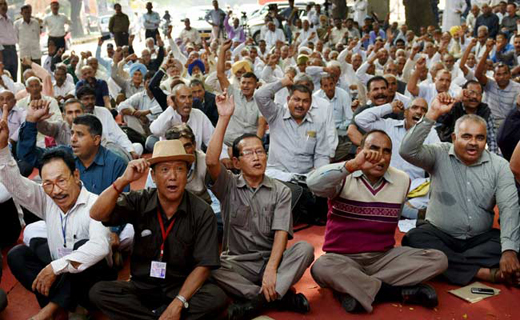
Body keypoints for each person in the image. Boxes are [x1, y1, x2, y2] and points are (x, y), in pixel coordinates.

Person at [307, 130, 448, 313]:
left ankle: (353, 287)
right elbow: (312, 183)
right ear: (359, 151)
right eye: (373, 149)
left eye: (386, 151)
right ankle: (394, 292)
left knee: (438, 260)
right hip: (343, 258)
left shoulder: (402, 180)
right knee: (321, 267)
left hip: (383, 258)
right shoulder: (343, 176)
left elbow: (400, 212)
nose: (379, 156)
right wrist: (352, 165)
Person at [88, 140, 227, 319]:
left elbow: (204, 265)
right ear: (153, 176)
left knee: (216, 297)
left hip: (181, 288)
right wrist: (123, 181)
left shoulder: (202, 211)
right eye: (164, 170)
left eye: (179, 169)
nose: (173, 176)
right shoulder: (140, 200)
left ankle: (156, 315)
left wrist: (178, 302)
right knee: (99, 292)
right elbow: (96, 214)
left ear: (187, 174)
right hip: (142, 286)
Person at [0, 106, 115, 320]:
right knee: (17, 255)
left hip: (93, 281)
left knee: (82, 252)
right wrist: (2, 149)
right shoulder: (46, 197)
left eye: (61, 181)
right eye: (48, 183)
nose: (56, 190)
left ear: (76, 175)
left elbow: (99, 246)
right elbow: (15, 185)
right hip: (60, 272)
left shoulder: (95, 204)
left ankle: (52, 310)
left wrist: (55, 267)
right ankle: (66, 306)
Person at [207, 91, 314, 319]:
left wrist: (271, 270)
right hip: (238, 264)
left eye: (261, 152)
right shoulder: (228, 185)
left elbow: (281, 234)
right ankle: (276, 297)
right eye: (249, 153)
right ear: (236, 162)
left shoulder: (281, 190)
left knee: (304, 250)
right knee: (207, 263)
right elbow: (211, 161)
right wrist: (224, 117)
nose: (257, 157)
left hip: (272, 260)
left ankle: (254, 304)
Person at [400, 93, 520, 286]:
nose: (473, 143)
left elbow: (509, 209)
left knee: (512, 243)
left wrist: (509, 251)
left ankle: (444, 264)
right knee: (414, 238)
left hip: (480, 240)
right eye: (466, 136)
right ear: (455, 137)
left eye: (479, 138)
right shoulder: (439, 153)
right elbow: (407, 150)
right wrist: (432, 114)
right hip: (439, 234)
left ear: (485, 141)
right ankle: (482, 273)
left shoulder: (499, 166)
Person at [217, 40, 266, 146]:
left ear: (256, 85)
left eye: (249, 83)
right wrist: (223, 50)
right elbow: (220, 75)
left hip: (248, 145)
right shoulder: (232, 94)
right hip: (228, 144)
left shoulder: (260, 100)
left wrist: (255, 146)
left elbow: (261, 125)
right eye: (243, 83)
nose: (245, 86)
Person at [436, 80, 498, 154]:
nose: (474, 97)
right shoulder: (453, 106)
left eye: (478, 94)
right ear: (463, 93)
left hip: (475, 153)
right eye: (471, 93)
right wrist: (456, 100)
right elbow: (438, 123)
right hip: (450, 151)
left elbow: (492, 140)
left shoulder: (485, 111)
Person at [475, 39, 520, 128]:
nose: (502, 77)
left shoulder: (517, 88)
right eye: (498, 74)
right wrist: (487, 51)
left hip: (508, 124)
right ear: (494, 75)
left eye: (505, 73)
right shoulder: (490, 84)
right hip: (489, 122)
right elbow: (478, 74)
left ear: (510, 75)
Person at [14, 4, 42, 73]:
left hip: (36, 53)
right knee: (25, 74)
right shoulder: (17, 24)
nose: (27, 14)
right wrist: (23, 44)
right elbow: (16, 38)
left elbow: (37, 36)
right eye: (25, 13)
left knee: (38, 74)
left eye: (29, 12)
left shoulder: (35, 23)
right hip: (24, 54)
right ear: (21, 13)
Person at [0, 0, 19, 81]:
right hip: (2, 51)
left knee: (14, 77)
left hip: (13, 50)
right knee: (4, 78)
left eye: (5, 4)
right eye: (0, 4)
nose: (3, 6)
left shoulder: (10, 20)